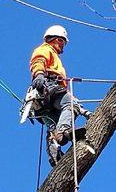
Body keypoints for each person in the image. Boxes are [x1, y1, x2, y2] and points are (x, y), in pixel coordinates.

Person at [29, 25, 90, 166]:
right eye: (63, 42)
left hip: (43, 99)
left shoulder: (53, 54)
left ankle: (54, 150)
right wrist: (39, 74)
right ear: (57, 39)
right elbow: (38, 60)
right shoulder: (46, 49)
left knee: (53, 126)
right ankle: (63, 132)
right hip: (48, 87)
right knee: (72, 104)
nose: (64, 46)